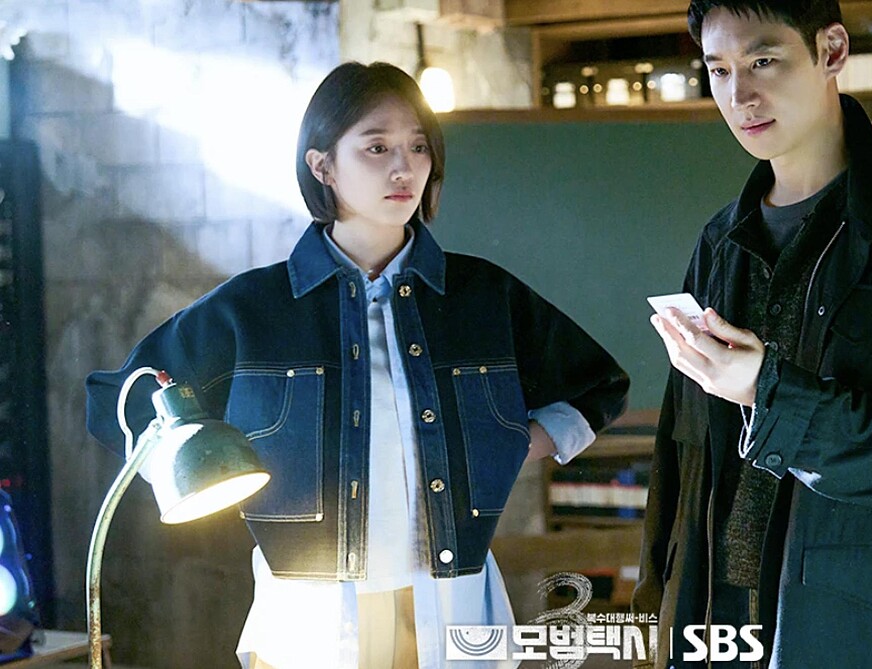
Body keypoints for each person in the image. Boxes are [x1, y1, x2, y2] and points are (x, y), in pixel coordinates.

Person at [85, 62, 629, 669]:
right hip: (311, 616)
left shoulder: (481, 297)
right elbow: (117, 399)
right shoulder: (254, 310)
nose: (405, 168)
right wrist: (187, 465)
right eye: (376, 147)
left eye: (418, 147)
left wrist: (508, 445)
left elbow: (598, 386)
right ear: (322, 166)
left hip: (452, 600)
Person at [632, 1, 872, 667]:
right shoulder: (720, 241)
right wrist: (659, 606)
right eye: (718, 70)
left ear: (831, 51)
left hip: (870, 629)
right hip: (722, 624)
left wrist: (769, 393)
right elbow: (681, 453)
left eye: (763, 61)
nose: (739, 95)